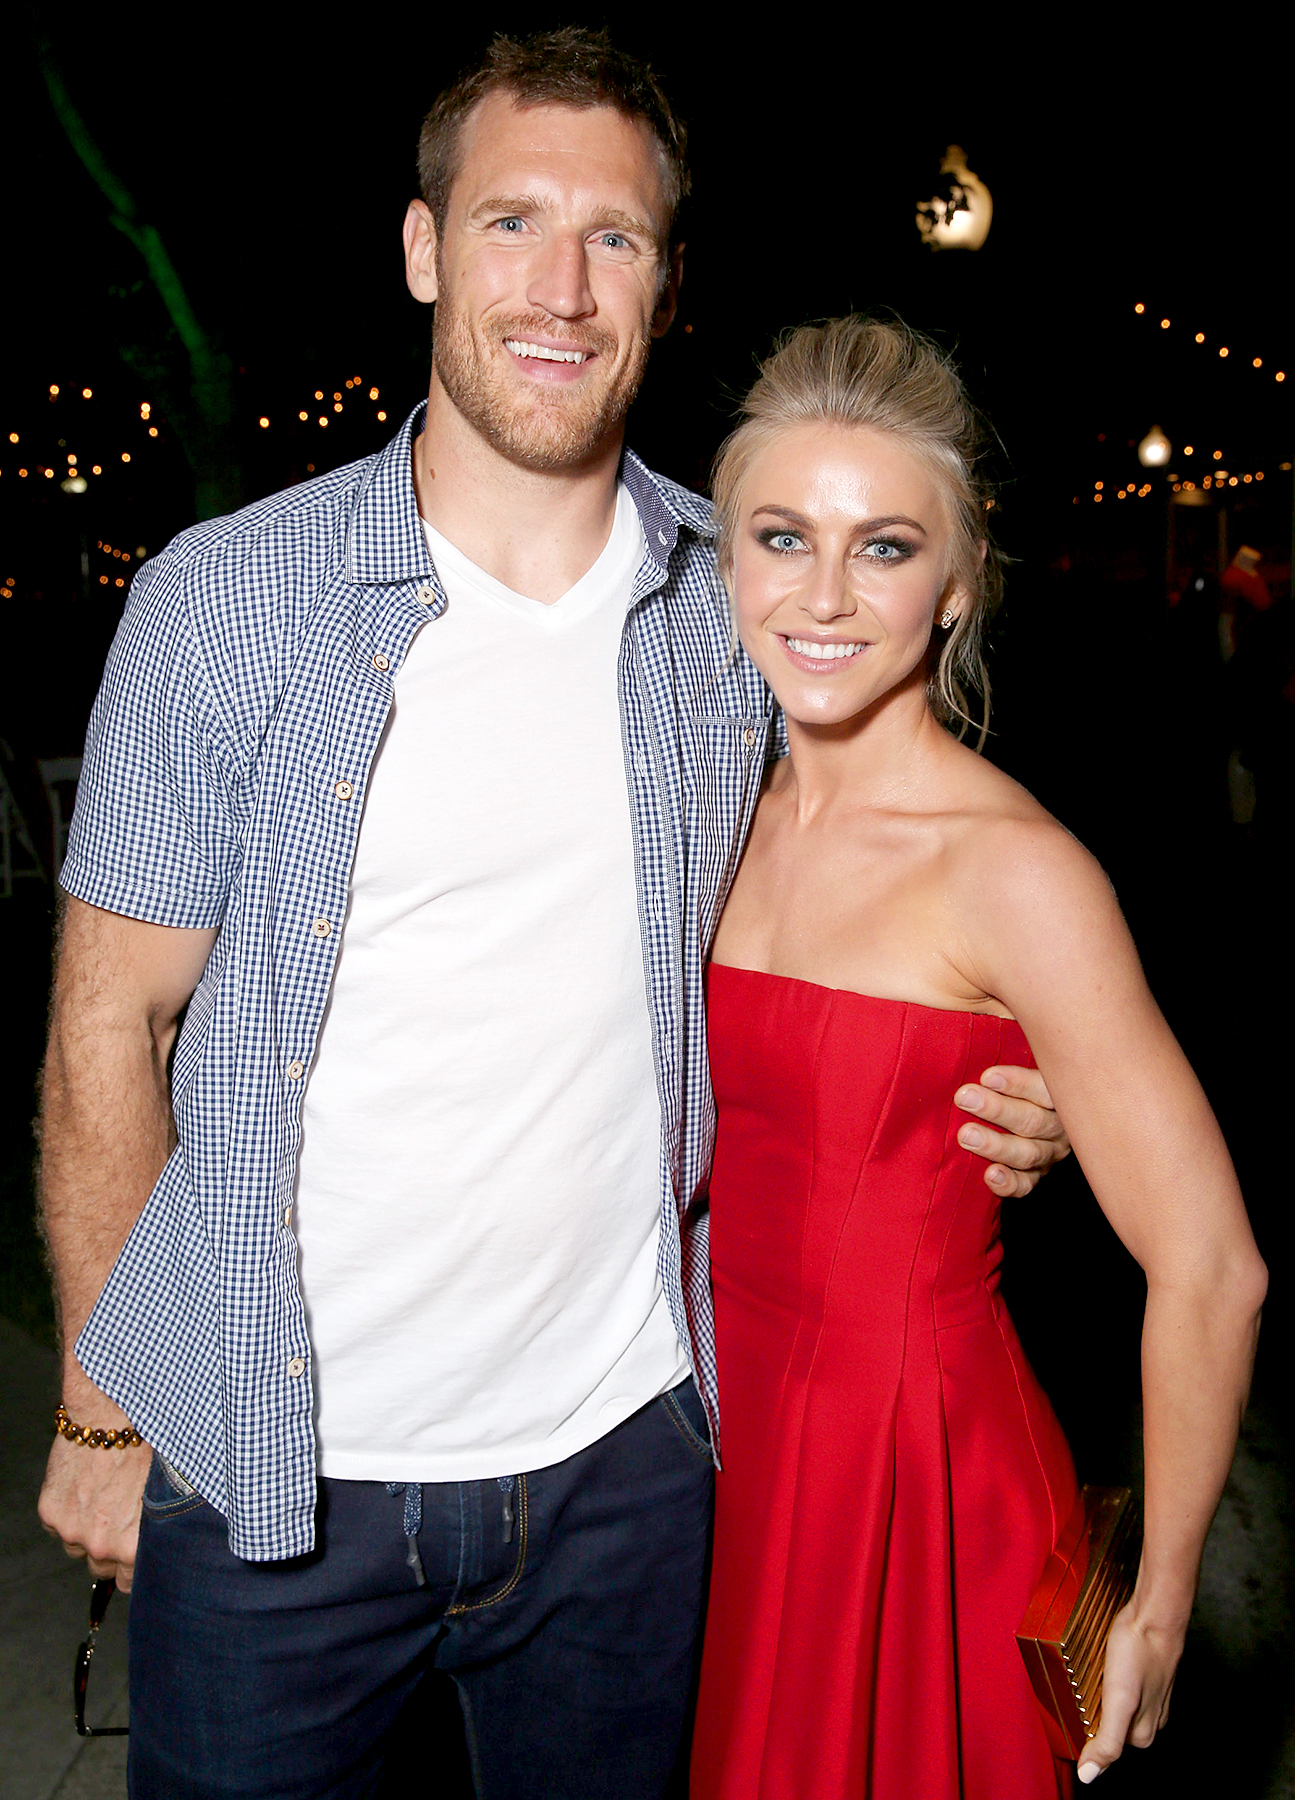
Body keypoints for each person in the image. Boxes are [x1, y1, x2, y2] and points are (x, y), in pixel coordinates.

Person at [35, 35, 1067, 1799]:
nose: (561, 288)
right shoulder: (220, 606)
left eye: (618, 239)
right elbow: (104, 1033)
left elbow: (890, 876)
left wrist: (1006, 1072)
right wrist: (101, 1408)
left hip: (630, 1472)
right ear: (425, 249)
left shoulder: (733, 606)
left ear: (669, 292)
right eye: (512, 222)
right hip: (270, 1470)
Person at [687, 316, 1267, 1800]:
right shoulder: (699, 819)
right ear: (727, 560)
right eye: (780, 535)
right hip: (708, 1433)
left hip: (912, 1470)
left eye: (883, 548)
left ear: (953, 587)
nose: (823, 594)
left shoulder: (1017, 871)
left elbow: (1212, 1262)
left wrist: (1157, 1607)